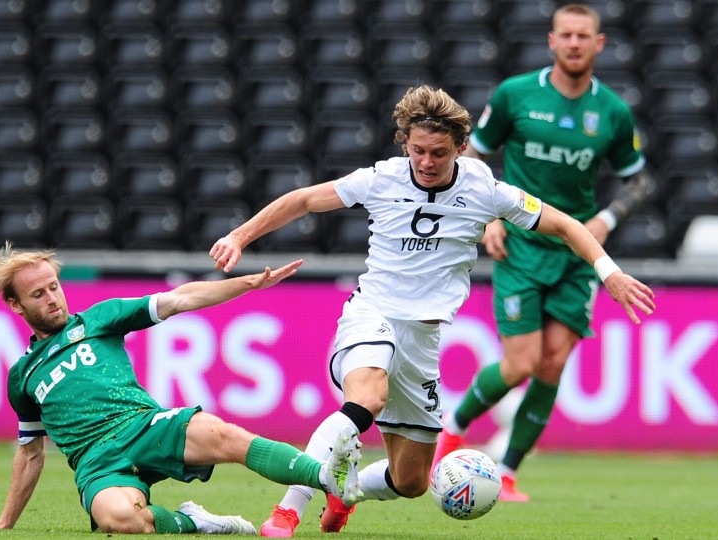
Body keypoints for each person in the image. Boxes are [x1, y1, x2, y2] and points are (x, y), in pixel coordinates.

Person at [209, 84, 654, 537]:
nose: (426, 162)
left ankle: (347, 491)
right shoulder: (381, 178)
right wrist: (239, 237)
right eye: (418, 150)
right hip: (372, 314)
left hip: (422, 340)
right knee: (366, 399)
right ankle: (288, 510)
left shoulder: (485, 190)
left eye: (438, 153)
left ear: (460, 148)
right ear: (404, 142)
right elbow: (302, 200)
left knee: (412, 481)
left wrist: (609, 273)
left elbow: (566, 225)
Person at [0, 242, 362, 535]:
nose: (53, 299)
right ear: (16, 305)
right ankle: (195, 521)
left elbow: (180, 299)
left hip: (143, 425)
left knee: (222, 435)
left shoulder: (99, 319)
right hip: (96, 462)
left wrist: (249, 283)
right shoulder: (22, 376)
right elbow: (31, 453)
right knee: (119, 519)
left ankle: (326, 476)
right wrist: (6, 521)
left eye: (54, 286)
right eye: (38, 294)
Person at [432, 3, 653, 503]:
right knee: (521, 363)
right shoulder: (515, 95)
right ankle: (454, 428)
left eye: (583, 36)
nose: (574, 43)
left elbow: (638, 180)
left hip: (576, 254)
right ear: (552, 41)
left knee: (552, 365)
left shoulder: (612, 112)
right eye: (565, 35)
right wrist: (488, 215)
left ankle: (508, 472)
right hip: (521, 245)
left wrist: (606, 219)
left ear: (598, 44)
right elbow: (472, 155)